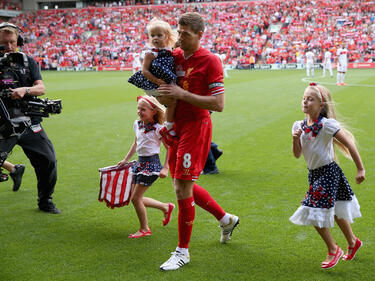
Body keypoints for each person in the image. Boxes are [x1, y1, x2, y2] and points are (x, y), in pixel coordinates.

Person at [157, 12, 239, 271]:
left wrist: (182, 93)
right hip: (176, 126)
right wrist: (164, 101)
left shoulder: (211, 60)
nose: (179, 37)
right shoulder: (176, 56)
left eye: (186, 34)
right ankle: (226, 219)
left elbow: (219, 104)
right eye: (178, 32)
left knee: (182, 187)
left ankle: (183, 251)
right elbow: (168, 93)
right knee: (181, 185)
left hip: (196, 126)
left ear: (200, 35)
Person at [290, 83, 365, 269]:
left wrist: (360, 169)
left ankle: (333, 249)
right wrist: (294, 139)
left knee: (311, 209)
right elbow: (297, 154)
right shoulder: (298, 125)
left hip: (329, 172)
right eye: (304, 98)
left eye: (310, 99)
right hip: (314, 174)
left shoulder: (327, 125)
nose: (305, 101)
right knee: (338, 210)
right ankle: (353, 241)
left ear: (321, 105)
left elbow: (349, 145)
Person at [0, 23, 60, 214]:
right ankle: (15, 170)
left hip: (28, 123)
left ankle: (45, 201)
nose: (9, 47)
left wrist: (24, 90)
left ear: (19, 41)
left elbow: (41, 88)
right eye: (4, 43)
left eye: (12, 42)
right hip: (3, 123)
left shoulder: (28, 61)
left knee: (48, 160)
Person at [117, 96, 174, 239]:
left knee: (136, 198)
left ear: (154, 111)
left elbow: (170, 148)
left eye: (143, 109)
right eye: (138, 109)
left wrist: (165, 168)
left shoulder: (159, 129)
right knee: (135, 197)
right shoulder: (137, 124)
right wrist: (126, 159)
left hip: (151, 165)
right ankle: (165, 207)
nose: (139, 112)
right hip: (140, 163)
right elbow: (136, 143)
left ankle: (144, 229)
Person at [128, 18, 177, 140]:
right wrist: (156, 80)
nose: (155, 38)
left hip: (163, 82)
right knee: (171, 102)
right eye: (152, 35)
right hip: (152, 84)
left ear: (167, 37)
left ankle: (167, 125)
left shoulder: (169, 50)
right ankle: (168, 127)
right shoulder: (151, 53)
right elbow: (144, 71)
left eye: (159, 35)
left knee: (172, 103)